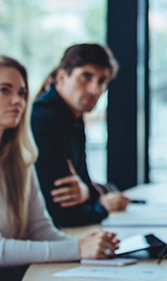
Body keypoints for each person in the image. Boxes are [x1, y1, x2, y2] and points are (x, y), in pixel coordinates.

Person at [0, 55, 118, 281]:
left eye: (22, 93)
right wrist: (78, 249)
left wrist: (85, 244)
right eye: (5, 90)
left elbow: (41, 231)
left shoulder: (21, 160)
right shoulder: (48, 119)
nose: (17, 101)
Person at [31, 44, 130, 228]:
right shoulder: (45, 119)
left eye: (102, 81)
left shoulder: (73, 118)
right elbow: (61, 212)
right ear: (62, 77)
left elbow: (84, 183)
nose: (94, 89)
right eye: (86, 77)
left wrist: (88, 192)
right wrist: (103, 205)